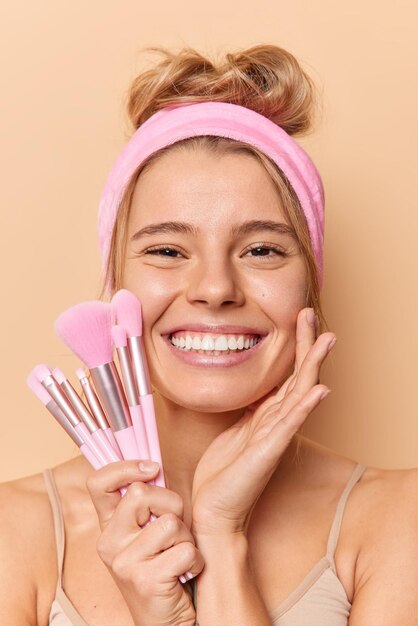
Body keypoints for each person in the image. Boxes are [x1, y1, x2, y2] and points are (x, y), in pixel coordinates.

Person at [0, 44, 417, 626]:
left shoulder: (401, 519)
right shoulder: (13, 534)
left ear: (310, 288)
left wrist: (223, 538)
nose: (215, 288)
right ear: (116, 284)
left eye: (263, 249)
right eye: (167, 250)